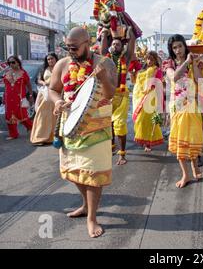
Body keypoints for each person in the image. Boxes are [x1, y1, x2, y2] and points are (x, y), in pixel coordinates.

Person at [49, 27, 117, 238]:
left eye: (74, 47)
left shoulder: (105, 63)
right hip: (71, 128)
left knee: (93, 175)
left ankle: (92, 218)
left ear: (88, 43)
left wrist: (104, 78)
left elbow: (111, 93)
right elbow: (52, 89)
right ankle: (86, 206)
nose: (71, 51)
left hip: (97, 129)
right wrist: (58, 101)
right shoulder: (62, 64)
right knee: (75, 172)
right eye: (68, 47)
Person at [164, 34, 203, 188]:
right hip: (178, 107)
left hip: (192, 106)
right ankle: (185, 174)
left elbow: (200, 81)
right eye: (174, 48)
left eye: (180, 46)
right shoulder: (169, 63)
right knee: (180, 139)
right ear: (171, 50)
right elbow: (173, 77)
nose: (178, 50)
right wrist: (187, 62)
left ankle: (194, 168)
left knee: (192, 138)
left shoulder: (192, 61)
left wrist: (193, 63)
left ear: (185, 47)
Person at [101, 35, 131, 165]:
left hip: (122, 94)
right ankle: (112, 146)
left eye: (117, 44)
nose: (115, 46)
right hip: (108, 94)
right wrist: (104, 33)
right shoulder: (105, 59)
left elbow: (131, 48)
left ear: (122, 47)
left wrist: (130, 32)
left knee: (119, 124)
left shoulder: (126, 59)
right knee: (109, 123)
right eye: (113, 44)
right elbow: (102, 49)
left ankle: (122, 154)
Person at [132, 51, 164, 152]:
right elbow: (135, 83)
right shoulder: (142, 71)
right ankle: (144, 140)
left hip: (151, 98)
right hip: (140, 97)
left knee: (149, 121)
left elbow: (159, 85)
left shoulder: (156, 70)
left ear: (155, 60)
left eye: (151, 59)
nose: (149, 61)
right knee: (140, 120)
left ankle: (148, 143)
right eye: (148, 59)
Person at [2, 56, 34, 140]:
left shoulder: (23, 73)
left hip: (19, 97)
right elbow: (6, 86)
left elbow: (29, 85)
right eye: (9, 63)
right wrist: (3, 96)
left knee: (22, 114)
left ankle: (32, 128)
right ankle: (13, 134)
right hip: (8, 97)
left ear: (18, 62)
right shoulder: (7, 72)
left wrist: (30, 95)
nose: (11, 64)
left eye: (13, 62)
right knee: (9, 115)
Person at [30, 53, 58, 145]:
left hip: (57, 94)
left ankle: (53, 137)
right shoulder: (44, 69)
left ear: (55, 59)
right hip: (45, 94)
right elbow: (38, 80)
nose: (50, 61)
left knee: (55, 116)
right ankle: (40, 137)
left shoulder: (59, 67)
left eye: (52, 59)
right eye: (48, 59)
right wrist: (43, 83)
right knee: (42, 115)